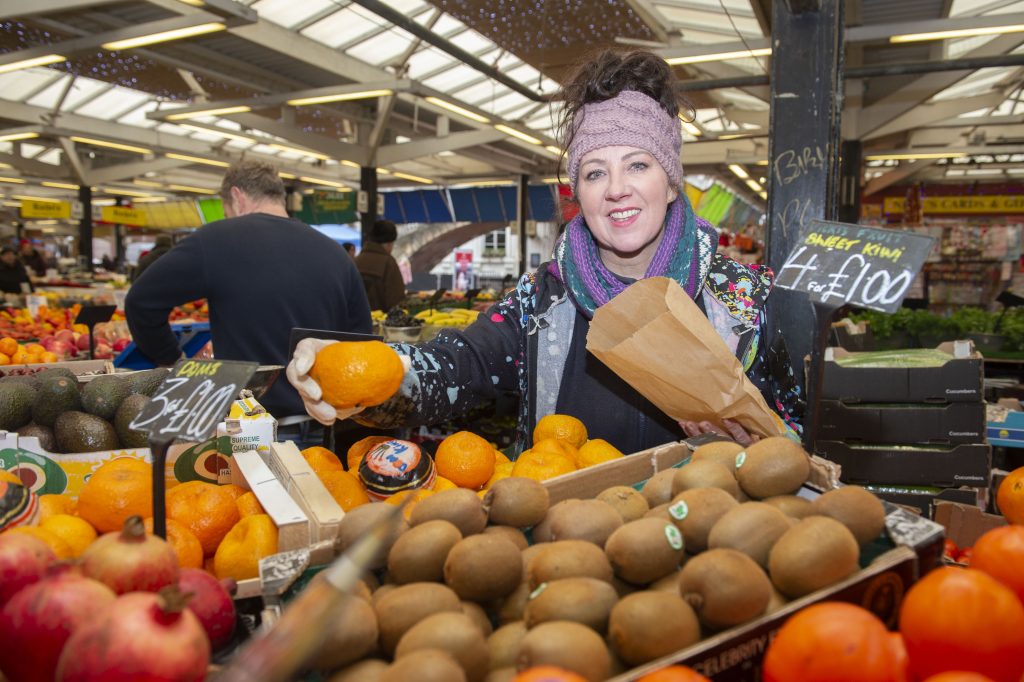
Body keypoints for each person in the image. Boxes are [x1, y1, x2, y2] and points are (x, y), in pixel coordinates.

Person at [289, 50, 801, 454]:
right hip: (562, 544)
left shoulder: (745, 299)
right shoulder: (542, 300)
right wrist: (353, 373)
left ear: (670, 182)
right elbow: (455, 367)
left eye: (638, 165)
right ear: (578, 192)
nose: (616, 189)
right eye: (595, 172)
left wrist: (763, 445)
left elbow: (801, 436)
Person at [126, 160, 373, 419]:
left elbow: (141, 301)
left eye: (226, 211)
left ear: (236, 197)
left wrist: (171, 358)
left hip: (248, 425)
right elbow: (362, 340)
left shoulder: (216, 240)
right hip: (325, 421)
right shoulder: (335, 253)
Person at [355, 219, 406, 311]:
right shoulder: (388, 263)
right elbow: (396, 300)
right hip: (381, 318)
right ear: (390, 243)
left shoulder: (355, 261)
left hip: (358, 318)